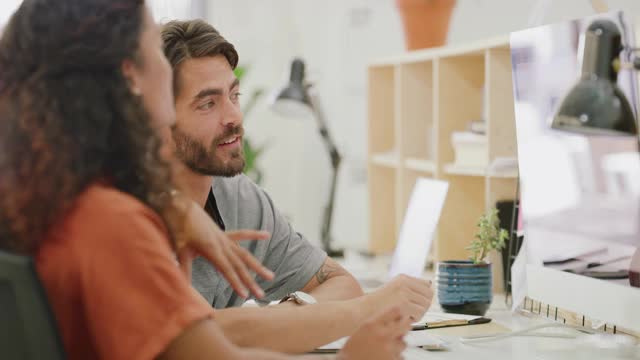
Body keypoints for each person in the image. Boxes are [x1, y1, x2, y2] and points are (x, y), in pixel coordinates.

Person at [0, 1, 410, 359]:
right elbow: (209, 353)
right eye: (152, 50)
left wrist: (175, 210)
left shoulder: (52, 198)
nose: (232, 115)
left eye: (233, 95)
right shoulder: (112, 222)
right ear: (131, 78)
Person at [161, 19, 434, 353]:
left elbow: (340, 284)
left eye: (234, 95)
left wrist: (288, 318)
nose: (233, 116)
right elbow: (200, 335)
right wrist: (365, 310)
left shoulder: (242, 200)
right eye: (208, 103)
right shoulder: (125, 213)